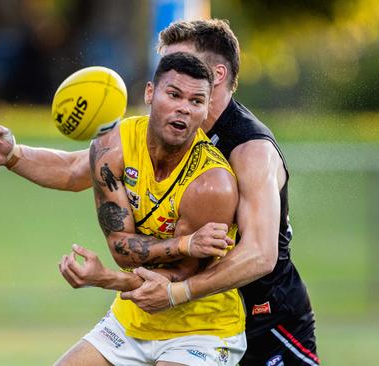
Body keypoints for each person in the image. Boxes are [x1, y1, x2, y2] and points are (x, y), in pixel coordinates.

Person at [0, 19, 319, 366]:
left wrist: (166, 289)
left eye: (182, 64)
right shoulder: (160, 132)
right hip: (166, 303)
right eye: (168, 74)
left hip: (262, 314)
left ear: (217, 76)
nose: (170, 71)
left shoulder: (248, 149)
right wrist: (13, 155)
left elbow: (259, 254)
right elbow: (77, 169)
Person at [58, 52, 246, 365]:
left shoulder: (212, 184)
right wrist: (12, 154)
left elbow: (174, 280)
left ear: (206, 109)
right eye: (173, 94)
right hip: (131, 321)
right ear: (150, 93)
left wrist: (105, 278)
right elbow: (121, 247)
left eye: (196, 101)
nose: (183, 108)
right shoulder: (113, 146)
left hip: (201, 329)